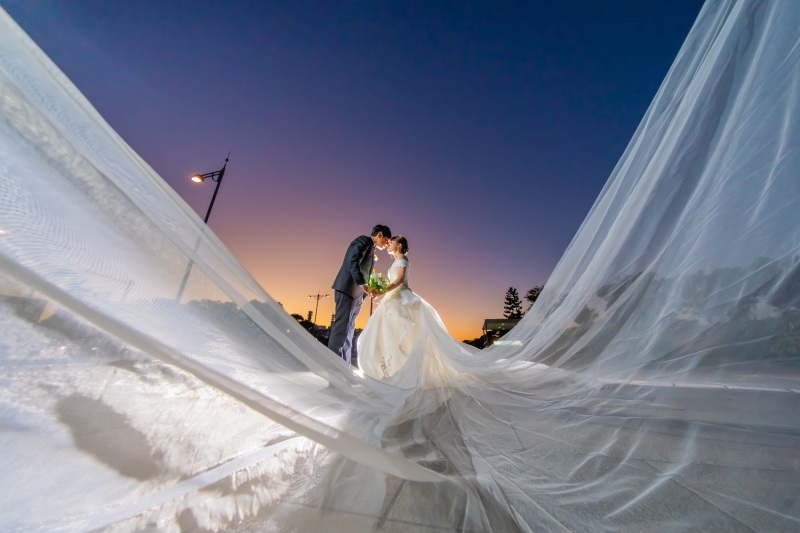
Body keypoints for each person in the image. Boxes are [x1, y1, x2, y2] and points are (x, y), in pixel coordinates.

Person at [357, 235, 463, 387]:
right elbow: (394, 281)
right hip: (392, 298)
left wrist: (382, 290)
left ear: (399, 245)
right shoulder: (396, 260)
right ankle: (394, 369)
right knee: (389, 334)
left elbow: (399, 280)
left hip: (401, 299)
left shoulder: (402, 260)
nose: (388, 244)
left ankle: (403, 371)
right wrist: (379, 287)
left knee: (400, 334)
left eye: (391, 242)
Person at [329, 224, 391, 363]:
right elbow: (353, 262)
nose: (387, 244)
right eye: (386, 239)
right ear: (380, 234)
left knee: (349, 331)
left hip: (357, 294)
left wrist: (369, 288)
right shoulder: (363, 241)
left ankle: (344, 367)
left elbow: (365, 270)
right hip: (347, 289)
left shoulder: (371, 249)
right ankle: (332, 367)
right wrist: (365, 286)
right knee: (341, 330)